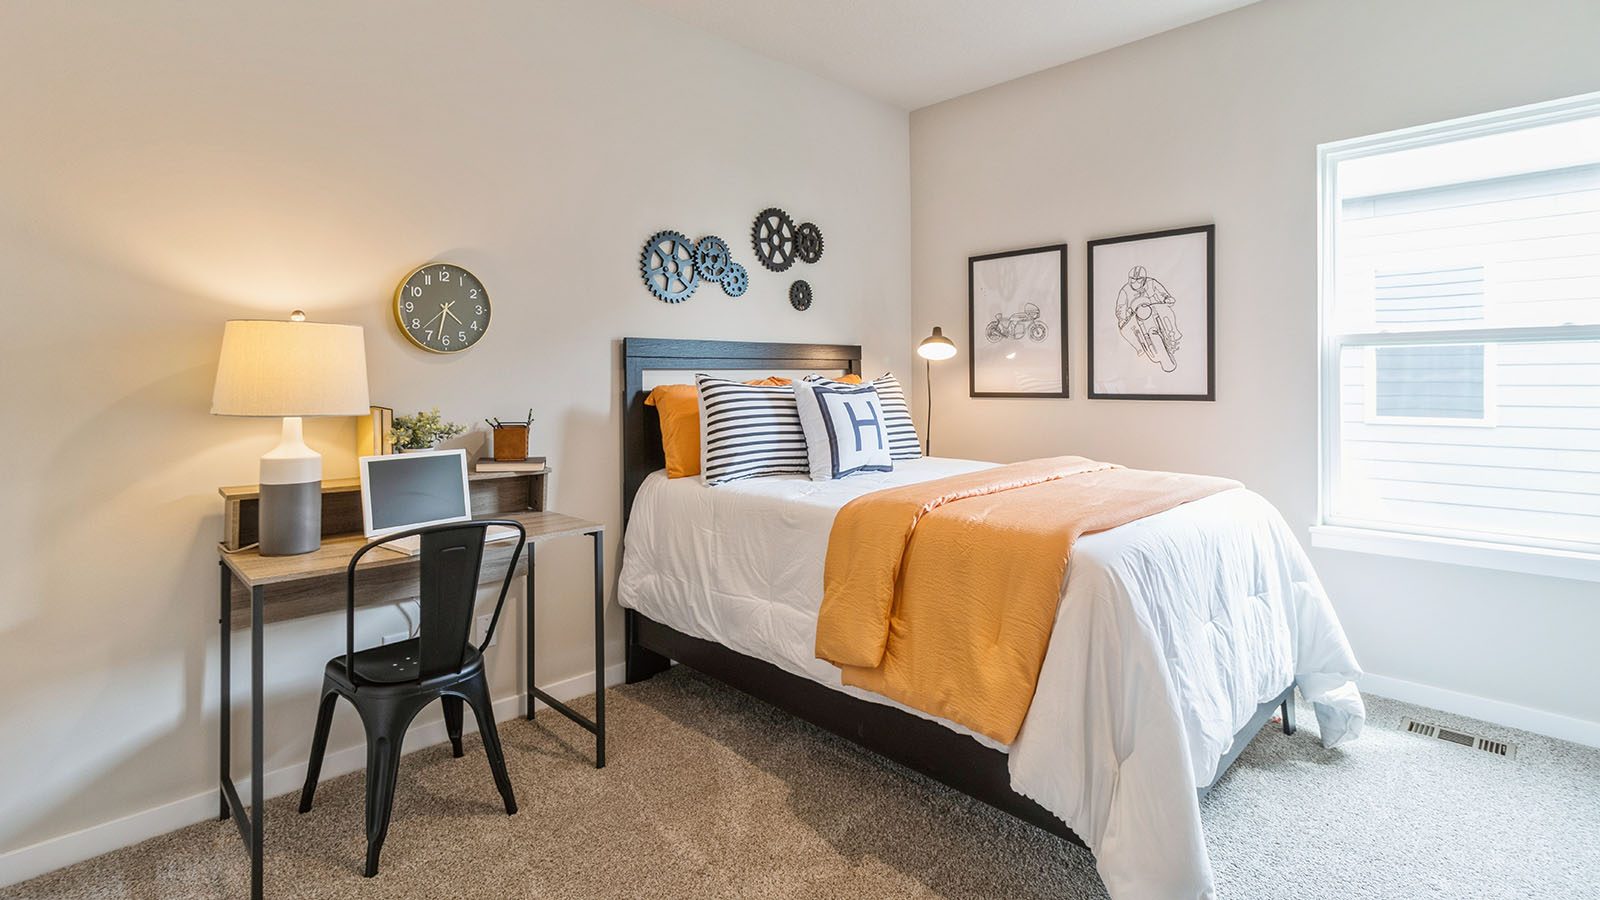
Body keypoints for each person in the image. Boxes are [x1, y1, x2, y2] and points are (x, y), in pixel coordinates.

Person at [1115, 266, 1181, 372]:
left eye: (1139, 279)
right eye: (1133, 279)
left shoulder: (1151, 282)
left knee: (1167, 310)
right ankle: (1140, 348)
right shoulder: (1125, 290)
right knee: (1124, 330)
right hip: (1135, 314)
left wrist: (1167, 298)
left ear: (1144, 279)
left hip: (1152, 307)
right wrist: (1122, 318)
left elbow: (1161, 291)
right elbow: (1120, 306)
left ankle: (1173, 334)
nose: (1135, 281)